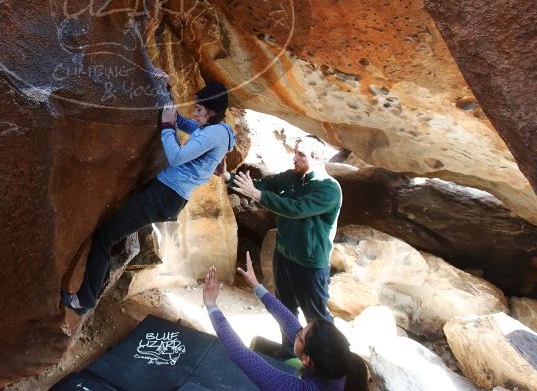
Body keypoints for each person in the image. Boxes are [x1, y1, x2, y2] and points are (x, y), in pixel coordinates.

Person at [60, 77, 236, 315]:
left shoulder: (213, 134)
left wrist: (165, 128)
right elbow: (184, 123)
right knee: (115, 233)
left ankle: (85, 300)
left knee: (105, 236)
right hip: (166, 193)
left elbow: (176, 157)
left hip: (165, 196)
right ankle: (96, 287)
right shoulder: (215, 129)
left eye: (199, 109)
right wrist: (166, 103)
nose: (194, 113)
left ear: (213, 111)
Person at [222, 135, 342, 359]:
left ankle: (331, 363)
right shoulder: (290, 177)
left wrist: (257, 195)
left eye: (300, 155)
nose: (294, 158)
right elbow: (260, 185)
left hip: (311, 264)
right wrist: (228, 176)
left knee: (317, 318)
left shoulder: (329, 189)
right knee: (284, 309)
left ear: (316, 159)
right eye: (295, 152)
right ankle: (289, 353)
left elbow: (296, 208)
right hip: (284, 255)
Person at [202, 253, 368, 391]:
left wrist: (211, 306)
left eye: (300, 336)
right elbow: (289, 322)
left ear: (307, 360)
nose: (297, 331)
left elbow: (241, 354)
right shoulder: (340, 360)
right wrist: (256, 286)